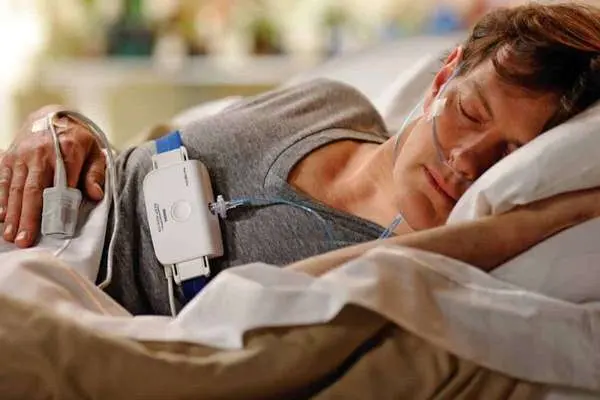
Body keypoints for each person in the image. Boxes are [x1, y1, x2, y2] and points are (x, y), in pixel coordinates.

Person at [0, 3, 599, 315]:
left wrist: (546, 219)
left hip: (50, 290)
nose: (468, 161)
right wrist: (55, 122)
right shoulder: (332, 102)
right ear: (443, 77)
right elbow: (141, 146)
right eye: (469, 112)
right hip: (32, 205)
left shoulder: (412, 266)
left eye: (509, 155)